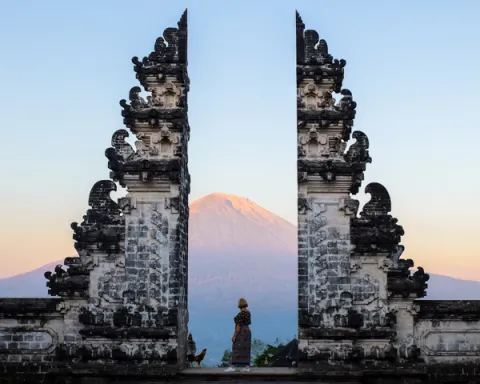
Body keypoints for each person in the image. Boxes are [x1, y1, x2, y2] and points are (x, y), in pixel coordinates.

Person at [224, 297, 251, 372]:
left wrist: (234, 336)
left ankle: (233, 366)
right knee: (246, 348)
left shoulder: (240, 314)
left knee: (236, 347)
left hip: (241, 331)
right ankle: (247, 367)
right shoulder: (248, 313)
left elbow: (238, 326)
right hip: (247, 331)